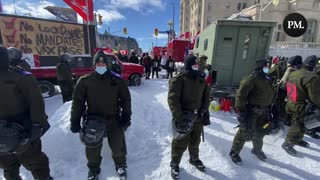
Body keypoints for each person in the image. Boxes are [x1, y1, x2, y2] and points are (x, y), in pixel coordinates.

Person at [70, 51, 132, 180]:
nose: (101, 65)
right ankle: (93, 170)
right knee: (92, 150)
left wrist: (126, 117)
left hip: (113, 119)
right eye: (98, 62)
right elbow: (78, 103)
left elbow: (126, 100)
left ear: (107, 64)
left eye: (103, 63)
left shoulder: (117, 80)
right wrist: (74, 121)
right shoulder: (85, 81)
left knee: (118, 146)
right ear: (94, 65)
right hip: (93, 121)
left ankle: (121, 165)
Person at [0, 45, 52, 180]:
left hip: (22, 131)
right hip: (17, 133)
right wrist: (37, 125)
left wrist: (37, 125)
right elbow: (36, 102)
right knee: (19, 165)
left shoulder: (20, 77)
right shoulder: (21, 76)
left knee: (17, 165)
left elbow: (36, 102)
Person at [167, 54, 210, 179]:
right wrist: (179, 116)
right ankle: (175, 163)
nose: (197, 66)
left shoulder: (201, 79)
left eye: (198, 64)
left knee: (195, 140)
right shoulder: (179, 79)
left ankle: (194, 158)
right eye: (194, 64)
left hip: (198, 116)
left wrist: (204, 110)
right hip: (184, 116)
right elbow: (172, 99)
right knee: (180, 142)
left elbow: (206, 96)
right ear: (188, 65)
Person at [229, 59, 275, 165]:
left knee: (260, 132)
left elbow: (270, 94)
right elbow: (240, 97)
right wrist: (241, 112)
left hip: (264, 111)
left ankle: (257, 150)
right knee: (244, 132)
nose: (267, 69)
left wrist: (273, 107)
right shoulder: (250, 80)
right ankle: (234, 152)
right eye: (265, 67)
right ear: (259, 68)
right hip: (252, 112)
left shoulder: (267, 79)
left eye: (268, 67)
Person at [282, 55, 320, 156]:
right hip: (301, 105)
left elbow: (290, 89)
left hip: (290, 102)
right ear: (313, 65)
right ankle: (288, 143)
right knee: (299, 125)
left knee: (299, 123)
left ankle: (297, 139)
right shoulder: (313, 77)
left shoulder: (293, 73)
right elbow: (315, 97)